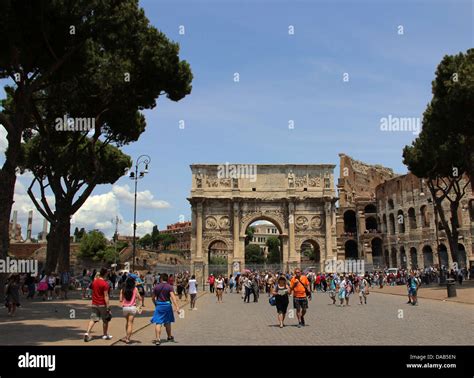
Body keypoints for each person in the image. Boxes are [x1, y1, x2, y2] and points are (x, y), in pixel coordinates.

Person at [84, 268, 112, 342]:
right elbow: (106, 296)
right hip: (102, 304)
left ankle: (87, 333)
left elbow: (93, 290)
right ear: (105, 273)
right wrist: (108, 307)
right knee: (105, 320)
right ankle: (105, 335)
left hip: (94, 303)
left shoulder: (94, 282)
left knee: (93, 319)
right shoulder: (105, 284)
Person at [151, 273, 180, 346]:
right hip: (167, 305)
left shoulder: (156, 287)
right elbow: (173, 297)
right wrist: (177, 307)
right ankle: (169, 336)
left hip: (159, 305)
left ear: (160, 279)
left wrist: (155, 304)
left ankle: (158, 339)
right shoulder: (169, 287)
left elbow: (152, 298)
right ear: (167, 279)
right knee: (167, 322)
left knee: (158, 322)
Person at [120, 277, 142, 344]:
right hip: (132, 307)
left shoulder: (123, 289)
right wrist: (139, 305)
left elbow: (121, 299)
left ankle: (126, 336)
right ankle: (128, 338)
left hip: (125, 308)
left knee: (127, 322)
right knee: (130, 323)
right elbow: (140, 298)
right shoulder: (135, 289)